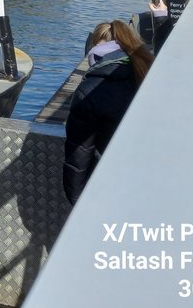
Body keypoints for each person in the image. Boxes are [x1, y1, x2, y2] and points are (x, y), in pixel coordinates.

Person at [62, 20, 154, 203]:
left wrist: (76, 201)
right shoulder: (147, 69)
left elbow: (79, 153)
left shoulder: (90, 90)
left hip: (113, 181)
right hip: (150, 175)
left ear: (96, 46)